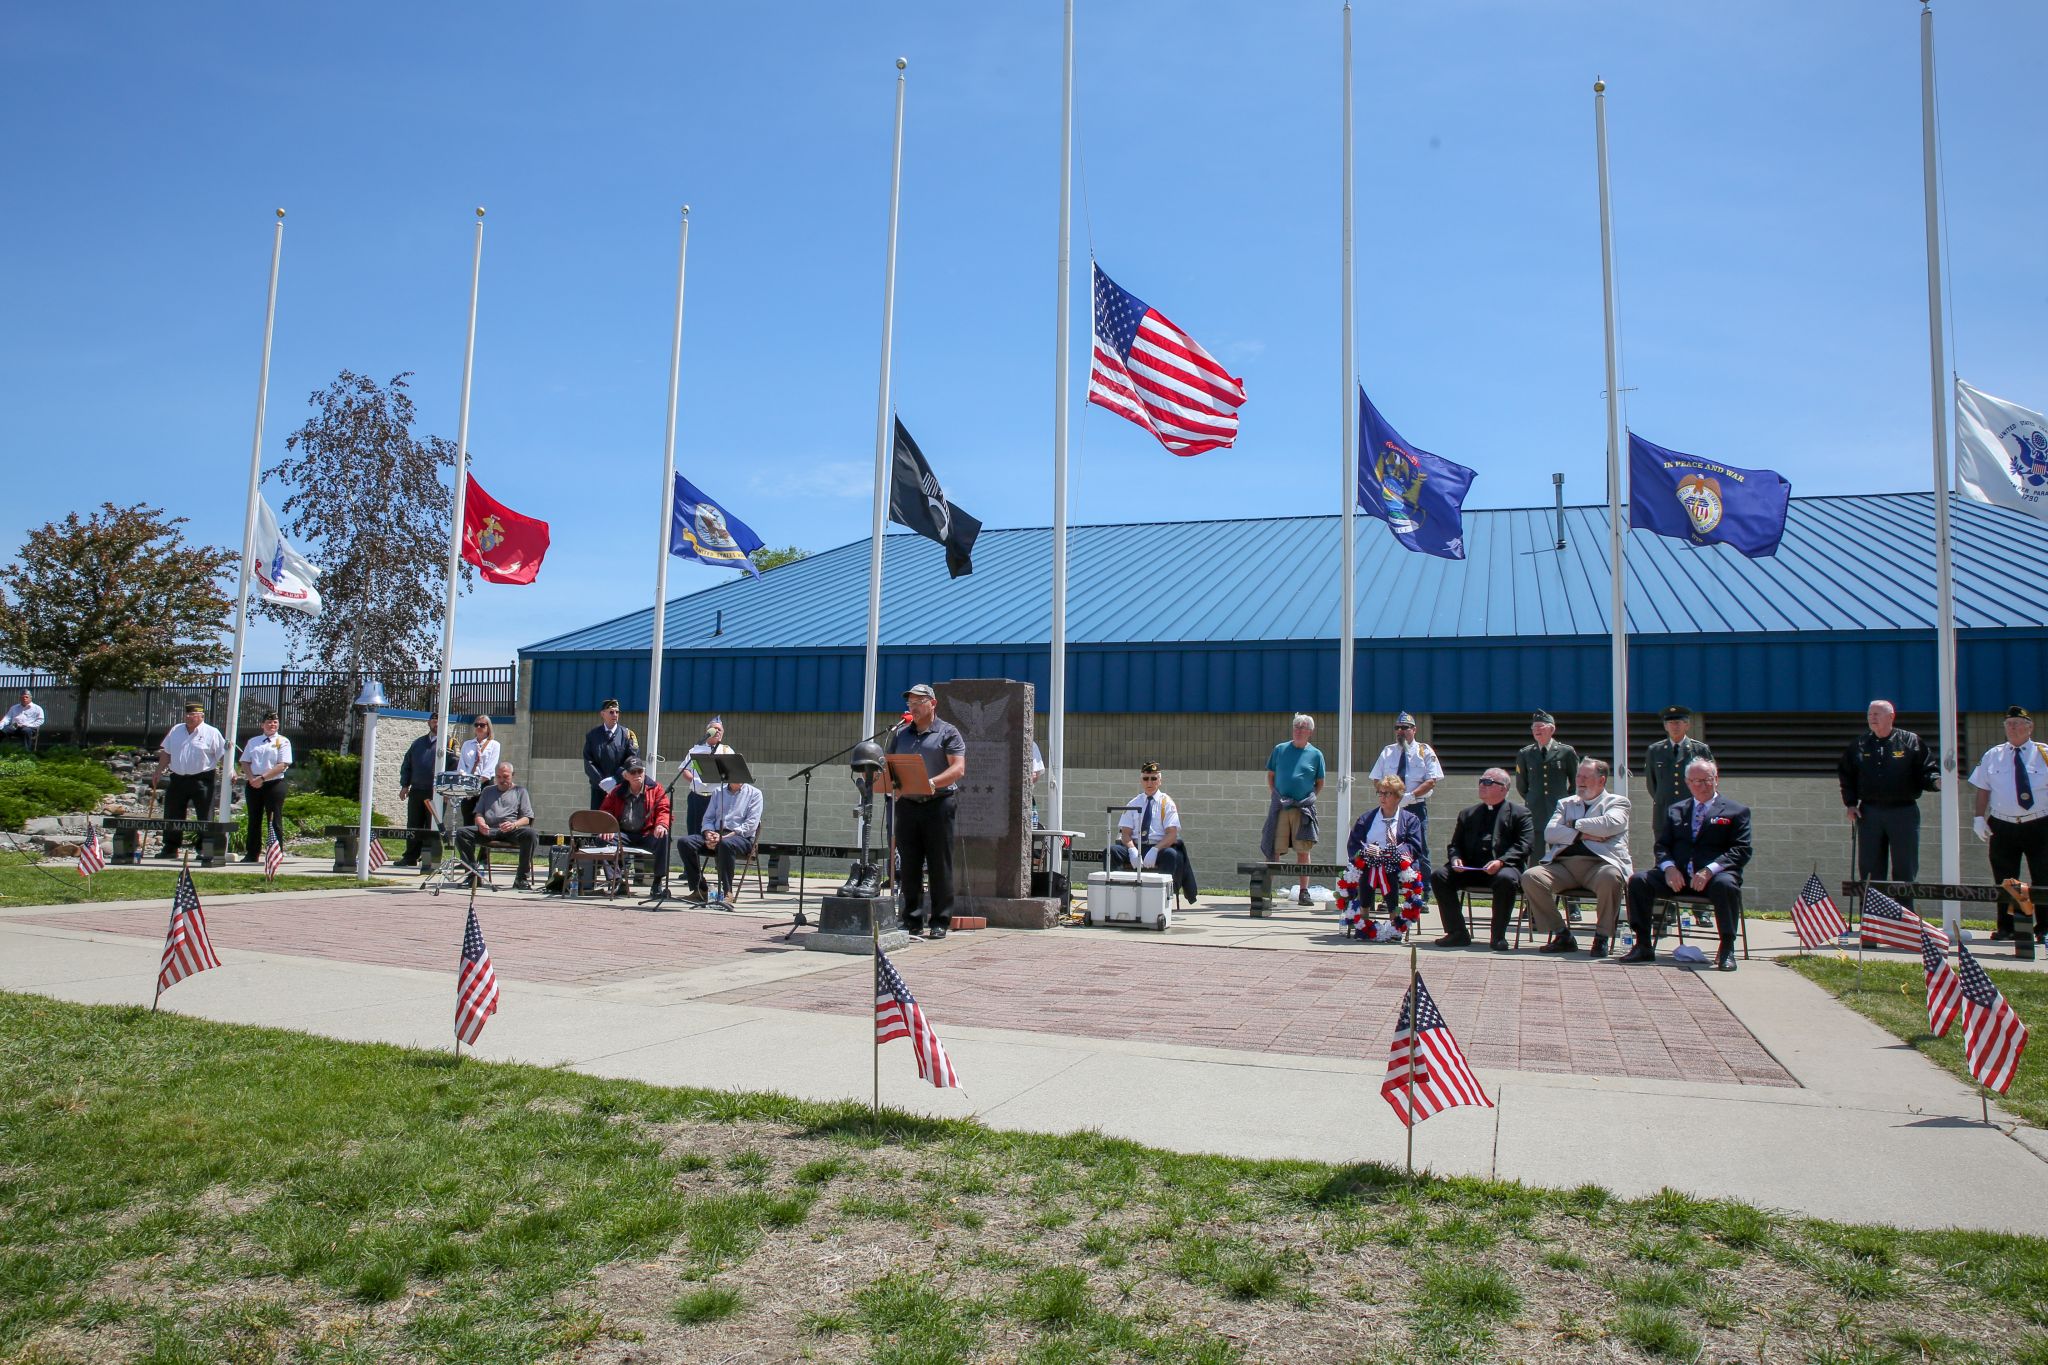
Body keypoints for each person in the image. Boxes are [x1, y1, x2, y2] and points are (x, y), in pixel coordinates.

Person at [1622, 758, 1751, 971]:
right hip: (1679, 876)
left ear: (1716, 779)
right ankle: (1643, 944)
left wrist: (1709, 870)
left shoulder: (1736, 811)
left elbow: (1741, 850)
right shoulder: (1676, 810)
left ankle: (1727, 949)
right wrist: (1669, 868)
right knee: (1638, 881)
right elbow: (1662, 845)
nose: (1701, 785)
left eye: (1706, 780)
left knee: (1726, 886)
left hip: (1714, 877)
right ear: (1687, 783)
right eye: (1695, 781)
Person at [1521, 758, 1632, 957]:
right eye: (1578, 776)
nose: (1579, 781)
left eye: (1585, 777)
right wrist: (1584, 834)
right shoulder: (1566, 803)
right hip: (1564, 866)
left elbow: (1609, 824)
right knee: (1531, 877)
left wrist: (1572, 824)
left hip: (1600, 865)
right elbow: (1550, 833)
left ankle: (1602, 937)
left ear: (1601, 780)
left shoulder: (1617, 802)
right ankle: (1562, 935)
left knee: (1610, 878)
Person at [887, 683, 967, 937]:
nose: (913, 707)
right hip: (907, 805)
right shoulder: (900, 734)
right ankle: (911, 919)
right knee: (909, 864)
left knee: (938, 865)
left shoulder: (948, 732)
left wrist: (932, 782)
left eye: (918, 702)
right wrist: (889, 783)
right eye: (910, 703)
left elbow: (958, 768)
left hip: (938, 804)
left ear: (932, 704)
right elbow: (889, 765)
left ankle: (940, 921)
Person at [1839, 699, 1938, 894]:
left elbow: (1927, 770)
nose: (1872, 718)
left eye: (1877, 714)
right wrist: (1850, 803)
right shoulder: (1859, 744)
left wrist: (1936, 782)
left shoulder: (1911, 741)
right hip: (1870, 812)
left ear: (1891, 716)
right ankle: (1872, 913)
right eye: (1869, 714)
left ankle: (1903, 913)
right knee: (1870, 869)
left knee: (1904, 869)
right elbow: (1846, 775)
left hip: (1903, 812)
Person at [1429, 768, 1533, 950]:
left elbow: (1525, 845)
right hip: (1471, 869)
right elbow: (1455, 845)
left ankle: (1498, 936)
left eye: (1488, 782)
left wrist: (1501, 861)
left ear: (1503, 788)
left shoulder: (1520, 814)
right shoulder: (1468, 814)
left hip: (1503, 869)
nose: (1482, 785)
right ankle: (1457, 933)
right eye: (1481, 781)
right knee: (1439, 875)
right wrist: (1455, 859)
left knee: (1506, 879)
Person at [1969, 705, 2048, 941]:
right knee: (2006, 878)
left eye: (2016, 723)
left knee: (2043, 876)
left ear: (2029, 727)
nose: (2011, 728)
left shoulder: (2044, 753)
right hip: (2003, 824)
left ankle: (2044, 927)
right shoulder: (1993, 755)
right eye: (2008, 724)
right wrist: (1978, 817)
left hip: (2039, 823)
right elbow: (1983, 789)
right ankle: (2008, 927)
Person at [1263, 713, 1328, 906]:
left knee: (1303, 851)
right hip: (1281, 807)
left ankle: (1304, 892)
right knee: (1273, 850)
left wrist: (1309, 798)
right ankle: (1266, 892)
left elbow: (1320, 782)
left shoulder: (1316, 755)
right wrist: (1276, 795)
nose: (1298, 731)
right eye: (1296, 727)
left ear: (1310, 732)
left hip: (1302, 809)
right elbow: (1271, 775)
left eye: (1303, 728)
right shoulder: (1280, 749)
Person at [1367, 712, 1442, 876]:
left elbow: (1431, 780)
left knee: (1420, 848)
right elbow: (1376, 778)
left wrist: (1410, 797)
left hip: (1415, 807)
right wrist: (1387, 796)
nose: (1400, 731)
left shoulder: (1424, 750)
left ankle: (1423, 889)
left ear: (1414, 730)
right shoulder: (1388, 751)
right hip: (1391, 809)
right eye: (1397, 728)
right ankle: (1394, 886)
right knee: (1390, 846)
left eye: (1405, 727)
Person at [1347, 776, 1426, 924]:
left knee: (1388, 870)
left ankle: (1394, 920)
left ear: (1398, 797)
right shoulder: (1366, 819)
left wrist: (1391, 853)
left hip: (1398, 864)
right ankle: (1363, 917)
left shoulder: (1410, 820)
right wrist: (1366, 851)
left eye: (1387, 793)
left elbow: (1414, 846)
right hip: (1370, 861)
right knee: (1367, 869)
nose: (1382, 797)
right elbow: (1354, 844)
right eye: (1380, 793)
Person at [678, 773, 763, 906]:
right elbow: (708, 818)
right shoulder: (718, 792)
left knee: (724, 844)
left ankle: (727, 891)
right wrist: (708, 833)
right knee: (685, 842)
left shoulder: (755, 794)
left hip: (740, 838)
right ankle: (700, 889)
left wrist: (723, 838)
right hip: (716, 835)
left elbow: (750, 825)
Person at [154, 701, 225, 859]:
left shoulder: (211, 732)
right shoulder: (176, 730)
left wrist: (231, 771)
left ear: (202, 716)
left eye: (193, 714)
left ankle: (204, 847)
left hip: (202, 778)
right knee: (172, 813)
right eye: (187, 714)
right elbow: (167, 752)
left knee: (204, 814)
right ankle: (170, 847)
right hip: (178, 778)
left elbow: (222, 755)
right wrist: (158, 770)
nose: (189, 717)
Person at [456, 761, 538, 889]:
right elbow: (478, 813)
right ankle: (472, 875)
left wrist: (514, 824)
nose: (501, 780)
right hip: (489, 830)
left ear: (512, 775)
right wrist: (481, 823)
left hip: (510, 830)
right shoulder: (487, 791)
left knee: (531, 834)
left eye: (505, 777)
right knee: (462, 833)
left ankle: (521, 878)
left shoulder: (520, 791)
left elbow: (527, 818)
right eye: (498, 777)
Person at [599, 756, 671, 897]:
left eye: (640, 771)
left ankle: (657, 882)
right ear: (626, 775)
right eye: (633, 772)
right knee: (603, 839)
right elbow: (605, 811)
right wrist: (607, 828)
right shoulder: (617, 791)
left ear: (644, 772)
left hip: (647, 833)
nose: (637, 775)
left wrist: (661, 824)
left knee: (664, 837)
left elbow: (664, 809)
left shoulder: (656, 789)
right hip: (623, 834)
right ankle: (617, 881)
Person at [1111, 761, 1186, 888]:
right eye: (1146, 779)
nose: (1149, 782)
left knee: (1171, 855)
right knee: (1112, 851)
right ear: (1141, 781)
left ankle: (1162, 894)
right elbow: (1125, 833)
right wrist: (1132, 849)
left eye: (1153, 778)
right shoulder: (1133, 803)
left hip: (1158, 847)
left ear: (1160, 781)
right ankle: (1117, 890)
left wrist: (1155, 849)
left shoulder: (1167, 803)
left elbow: (1172, 834)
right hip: (1136, 846)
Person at [1514, 710, 1579, 841]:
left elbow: (1576, 780)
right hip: (1535, 808)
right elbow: (1521, 784)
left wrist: (1568, 799)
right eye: (1534, 727)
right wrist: (1532, 797)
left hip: (1559, 807)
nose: (1537, 730)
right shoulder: (1525, 753)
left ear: (1551, 729)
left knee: (1559, 844)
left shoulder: (1566, 751)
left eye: (1540, 726)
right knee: (1536, 846)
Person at [236, 711, 292, 861]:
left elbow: (282, 765)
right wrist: (251, 778)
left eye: (275, 722)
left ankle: (275, 853)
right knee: (254, 819)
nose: (272, 724)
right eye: (269, 722)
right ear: (262, 725)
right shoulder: (253, 741)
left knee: (274, 819)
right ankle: (252, 853)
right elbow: (245, 761)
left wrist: (262, 778)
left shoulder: (283, 741)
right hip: (253, 783)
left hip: (274, 784)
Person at [1645, 705, 1712, 818]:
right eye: (1670, 723)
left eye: (1678, 723)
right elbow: (1652, 783)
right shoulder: (1655, 751)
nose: (1674, 726)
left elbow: (1710, 779)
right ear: (1665, 726)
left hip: (1692, 809)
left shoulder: (1700, 749)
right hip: (1664, 810)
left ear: (1687, 725)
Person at [395, 714, 442, 866]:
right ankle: (410, 857)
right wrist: (405, 785)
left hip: (436, 793)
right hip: (417, 790)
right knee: (413, 825)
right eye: (434, 721)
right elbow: (407, 764)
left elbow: (454, 766)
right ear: (429, 723)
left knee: (432, 826)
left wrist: (446, 792)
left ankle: (429, 858)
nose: (436, 723)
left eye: (439, 721)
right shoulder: (418, 743)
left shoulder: (448, 743)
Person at [582, 698, 640, 809]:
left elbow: (633, 759)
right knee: (598, 818)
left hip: (621, 787)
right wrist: (601, 781)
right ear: (603, 714)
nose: (615, 715)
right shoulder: (593, 736)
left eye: (617, 712)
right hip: (599, 789)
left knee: (619, 818)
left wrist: (616, 778)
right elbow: (588, 761)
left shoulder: (627, 735)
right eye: (611, 712)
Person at [681, 716, 733, 837]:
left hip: (718, 798)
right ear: (708, 731)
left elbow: (733, 772)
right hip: (697, 797)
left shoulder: (726, 750)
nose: (718, 731)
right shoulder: (696, 750)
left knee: (715, 833)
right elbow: (685, 770)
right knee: (694, 832)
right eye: (715, 728)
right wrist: (695, 780)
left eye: (720, 730)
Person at [457, 715, 502, 827]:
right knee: (468, 815)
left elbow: (490, 768)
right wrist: (466, 783)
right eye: (476, 725)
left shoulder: (494, 745)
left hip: (485, 783)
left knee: (485, 818)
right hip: (468, 782)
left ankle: (485, 839)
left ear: (488, 727)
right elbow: (461, 766)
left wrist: (476, 784)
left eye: (482, 725)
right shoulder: (467, 744)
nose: (478, 727)